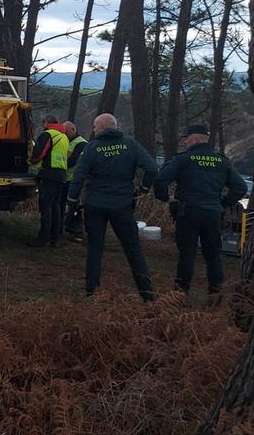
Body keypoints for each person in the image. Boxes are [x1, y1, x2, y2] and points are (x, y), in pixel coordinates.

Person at [67, 113, 157, 301]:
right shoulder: (130, 144)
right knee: (133, 250)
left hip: (95, 204)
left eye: (94, 127)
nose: (93, 130)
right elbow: (151, 168)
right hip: (122, 205)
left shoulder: (92, 148)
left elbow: (78, 177)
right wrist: (143, 189)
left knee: (95, 249)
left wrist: (72, 201)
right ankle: (148, 296)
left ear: (101, 128)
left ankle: (92, 293)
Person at [154, 123, 248, 303]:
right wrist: (221, 203)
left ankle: (180, 295)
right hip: (212, 214)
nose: (185, 142)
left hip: (188, 212)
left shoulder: (183, 159)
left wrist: (165, 198)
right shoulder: (222, 161)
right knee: (213, 254)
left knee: (187, 254)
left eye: (187, 139)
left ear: (195, 138)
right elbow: (240, 188)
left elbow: (160, 179)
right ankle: (215, 295)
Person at [28, 114, 69, 247]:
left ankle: (43, 238)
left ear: (46, 123)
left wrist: (30, 161)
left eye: (43, 123)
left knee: (46, 207)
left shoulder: (48, 135)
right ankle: (54, 238)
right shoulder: (64, 136)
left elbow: (39, 154)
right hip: (61, 175)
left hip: (49, 175)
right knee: (55, 207)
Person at [62, 121, 88, 240]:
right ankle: (67, 227)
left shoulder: (81, 143)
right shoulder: (68, 141)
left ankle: (77, 231)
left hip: (74, 180)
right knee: (66, 205)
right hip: (66, 179)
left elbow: (73, 162)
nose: (65, 134)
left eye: (66, 132)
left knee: (75, 206)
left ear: (73, 129)